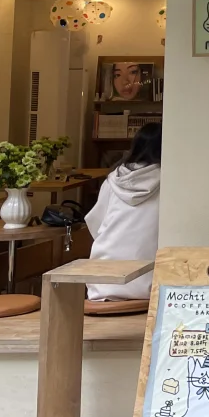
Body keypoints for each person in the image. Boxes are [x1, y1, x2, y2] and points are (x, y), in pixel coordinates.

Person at [85, 123, 161, 301]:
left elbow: (95, 223)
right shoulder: (168, 180)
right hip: (147, 284)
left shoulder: (113, 180)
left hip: (102, 282)